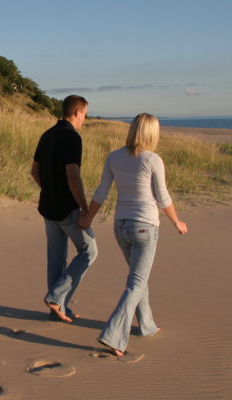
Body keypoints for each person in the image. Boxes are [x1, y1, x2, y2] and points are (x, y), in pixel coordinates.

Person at [78, 113, 188, 356]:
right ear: (152, 133)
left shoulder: (114, 157)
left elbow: (101, 192)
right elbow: (163, 197)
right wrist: (177, 221)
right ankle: (115, 335)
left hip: (121, 226)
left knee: (139, 278)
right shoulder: (153, 159)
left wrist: (88, 218)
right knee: (137, 281)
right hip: (145, 227)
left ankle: (146, 325)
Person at [31, 95, 98, 323]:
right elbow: (73, 175)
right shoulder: (71, 137)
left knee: (56, 259)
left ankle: (57, 310)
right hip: (67, 209)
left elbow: (35, 171)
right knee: (90, 251)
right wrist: (84, 207)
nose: (85, 118)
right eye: (85, 113)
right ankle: (56, 297)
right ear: (77, 112)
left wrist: (48, 189)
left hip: (48, 206)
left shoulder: (47, 135)